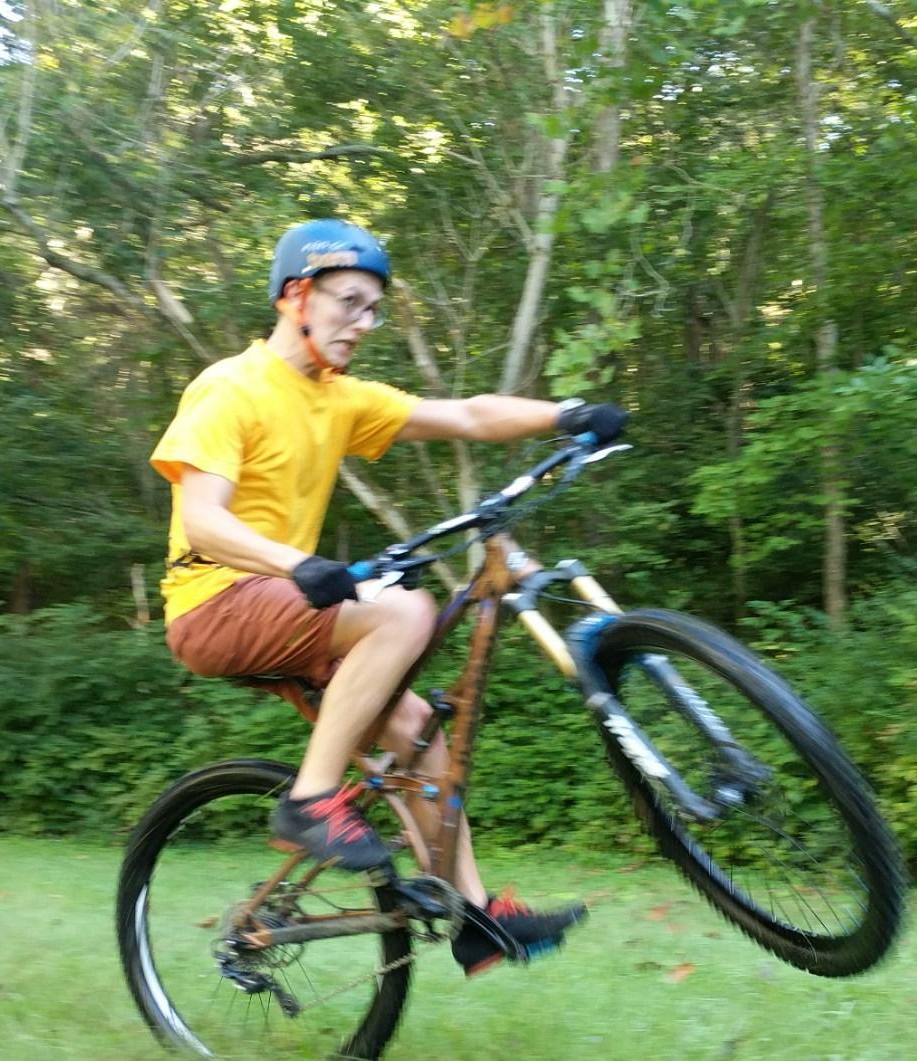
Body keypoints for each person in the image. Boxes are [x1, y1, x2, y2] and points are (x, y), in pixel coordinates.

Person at [148, 219, 628, 976]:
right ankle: (310, 802)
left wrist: (565, 415)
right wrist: (298, 564)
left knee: (417, 728)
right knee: (403, 607)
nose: (362, 324)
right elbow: (203, 520)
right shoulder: (229, 387)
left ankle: (474, 918)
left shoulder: (339, 400)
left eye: (373, 309)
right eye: (349, 303)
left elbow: (467, 416)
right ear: (295, 297)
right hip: (216, 602)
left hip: (285, 606)